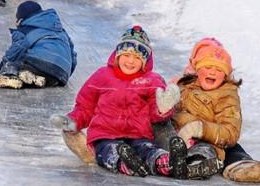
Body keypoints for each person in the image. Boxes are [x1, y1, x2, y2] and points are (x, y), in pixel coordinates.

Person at [50, 26, 190, 179]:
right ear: (117, 54)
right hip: (105, 135)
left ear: (145, 61)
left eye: (137, 57)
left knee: (147, 149)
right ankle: (124, 163)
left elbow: (155, 117)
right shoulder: (102, 76)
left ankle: (166, 162)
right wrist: (73, 120)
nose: (130, 61)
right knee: (109, 151)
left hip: (138, 135)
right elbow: (85, 107)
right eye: (126, 55)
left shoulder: (152, 81)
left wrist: (163, 108)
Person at [174, 37, 260, 182]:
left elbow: (230, 131)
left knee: (227, 149)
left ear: (226, 75)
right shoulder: (184, 86)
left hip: (210, 141)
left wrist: (201, 129)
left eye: (219, 69)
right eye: (208, 67)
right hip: (177, 139)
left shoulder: (227, 96)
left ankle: (240, 167)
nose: (212, 72)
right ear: (197, 69)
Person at [0, 1, 76, 88]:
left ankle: (8, 75)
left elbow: (15, 51)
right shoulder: (61, 30)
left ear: (21, 19)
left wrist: (0, 68)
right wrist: (66, 72)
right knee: (44, 75)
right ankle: (39, 79)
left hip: (40, 61)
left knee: (12, 64)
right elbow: (73, 55)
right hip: (62, 72)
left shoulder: (27, 30)